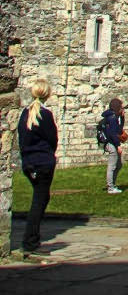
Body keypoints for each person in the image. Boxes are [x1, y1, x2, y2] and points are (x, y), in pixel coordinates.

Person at [16, 78, 58, 258]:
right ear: (47, 94)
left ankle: (31, 239)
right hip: (42, 163)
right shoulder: (45, 114)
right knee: (39, 201)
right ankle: (30, 242)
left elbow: (22, 139)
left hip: (29, 163)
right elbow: (52, 139)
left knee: (40, 199)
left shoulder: (25, 113)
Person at [100, 96, 127, 194]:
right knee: (112, 166)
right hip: (111, 144)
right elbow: (113, 134)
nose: (122, 109)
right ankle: (110, 188)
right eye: (121, 107)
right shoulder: (112, 118)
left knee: (119, 164)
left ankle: (112, 184)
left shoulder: (116, 117)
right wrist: (117, 145)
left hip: (113, 143)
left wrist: (122, 118)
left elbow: (119, 130)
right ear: (117, 107)